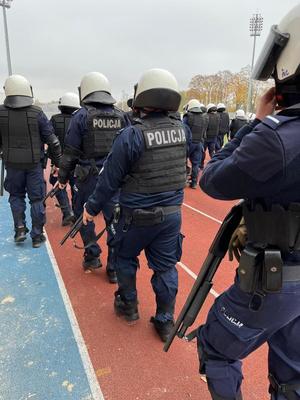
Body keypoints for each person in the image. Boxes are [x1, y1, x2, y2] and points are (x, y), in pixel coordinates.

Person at [197, 5, 300, 399]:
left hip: (277, 280)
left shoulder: (275, 136)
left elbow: (213, 180)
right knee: (292, 374)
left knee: (216, 349)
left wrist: (257, 122)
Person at [82, 68, 190, 342]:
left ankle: (129, 306)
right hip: (170, 217)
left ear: (142, 98)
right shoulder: (183, 130)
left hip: (135, 217)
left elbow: (108, 180)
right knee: (166, 269)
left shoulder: (132, 135)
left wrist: (91, 208)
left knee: (125, 258)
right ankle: (166, 322)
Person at [58, 72, 129, 283]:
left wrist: (62, 177)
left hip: (87, 178)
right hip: (115, 178)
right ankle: (114, 268)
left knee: (83, 215)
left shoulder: (81, 116)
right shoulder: (121, 115)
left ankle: (92, 255)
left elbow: (69, 152)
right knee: (115, 220)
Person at [0, 75, 61, 247]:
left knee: (15, 196)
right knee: (36, 199)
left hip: (12, 165)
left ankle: (19, 228)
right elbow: (53, 142)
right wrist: (58, 163)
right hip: (34, 165)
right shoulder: (37, 113)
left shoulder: (1, 112)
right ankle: (36, 235)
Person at [49, 92, 80, 226]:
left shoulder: (54, 119)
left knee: (56, 183)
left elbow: (50, 140)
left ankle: (67, 212)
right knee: (76, 187)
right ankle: (77, 214)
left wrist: (52, 161)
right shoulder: (80, 118)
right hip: (77, 162)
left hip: (59, 162)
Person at [183, 99, 208, 188]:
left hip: (189, 143)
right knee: (196, 164)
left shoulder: (187, 116)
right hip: (199, 143)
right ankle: (194, 183)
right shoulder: (203, 117)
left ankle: (183, 180)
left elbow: (184, 130)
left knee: (183, 161)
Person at [201, 103, 220, 168]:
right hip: (213, 137)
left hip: (206, 138)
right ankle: (214, 165)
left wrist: (203, 136)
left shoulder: (205, 116)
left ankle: (201, 165)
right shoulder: (217, 116)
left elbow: (204, 128)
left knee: (203, 152)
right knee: (212, 152)